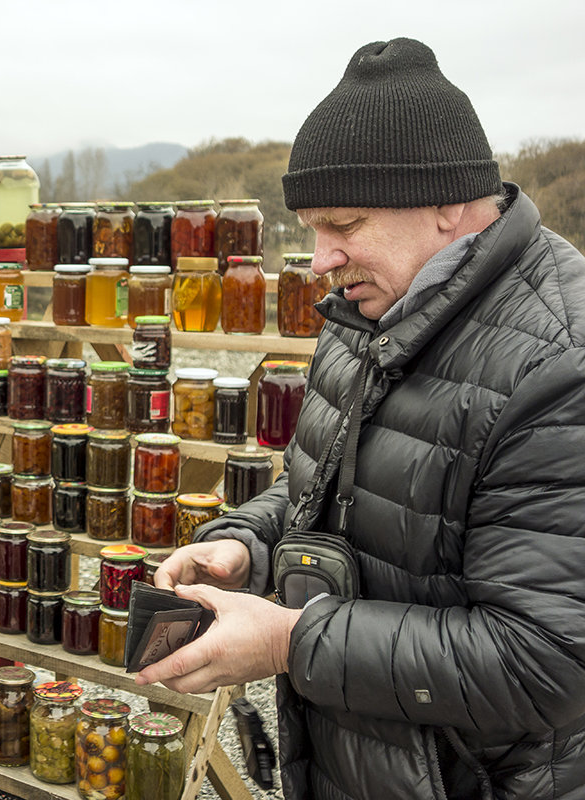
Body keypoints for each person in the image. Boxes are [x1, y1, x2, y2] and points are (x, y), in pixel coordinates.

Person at [139, 38, 585, 799]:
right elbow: (327, 484)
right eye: (311, 227)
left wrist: (290, 642)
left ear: (450, 204)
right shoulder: (366, 314)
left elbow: (548, 660)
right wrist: (249, 544)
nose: (318, 259)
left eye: (343, 224)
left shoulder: (557, 363)